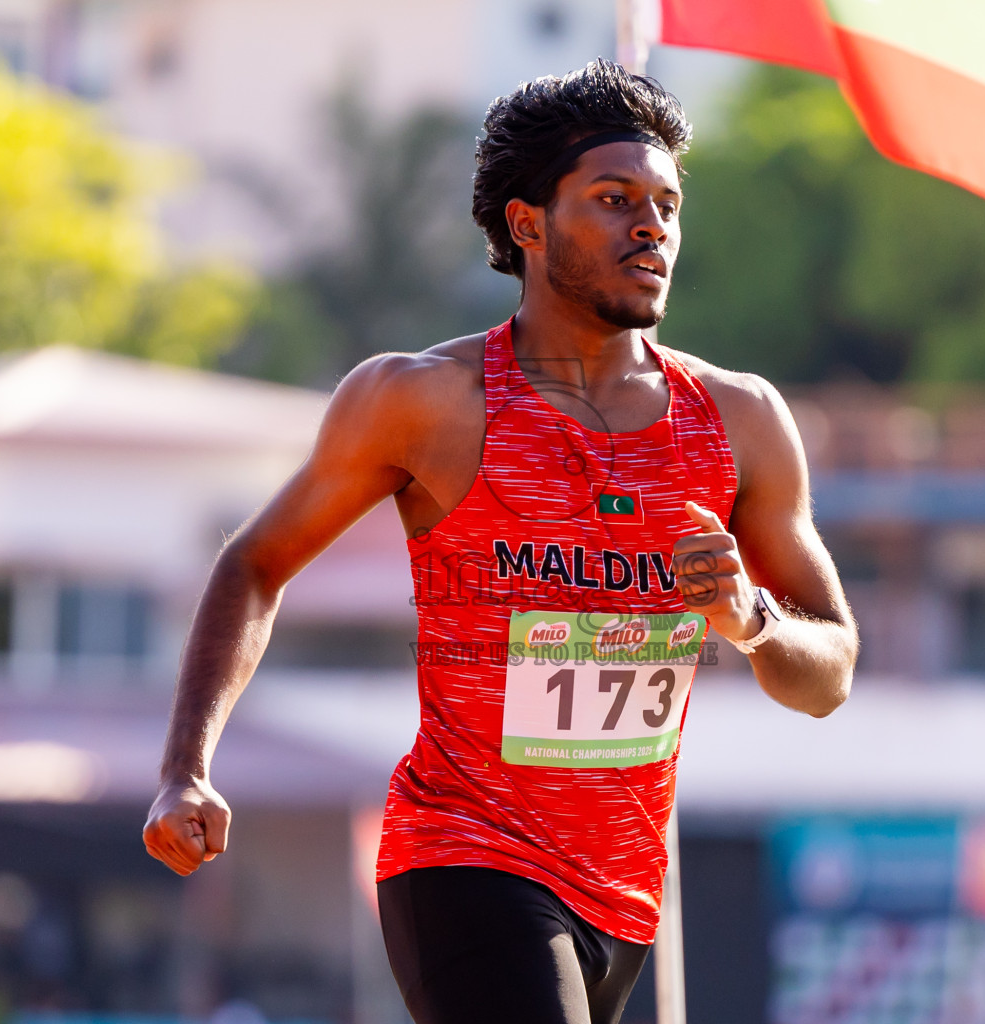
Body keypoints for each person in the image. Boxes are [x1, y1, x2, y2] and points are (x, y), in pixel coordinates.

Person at [143, 59, 858, 1024]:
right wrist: (186, 767)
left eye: (667, 205)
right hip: (464, 856)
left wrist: (753, 620)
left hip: (622, 893)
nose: (652, 227)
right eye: (615, 199)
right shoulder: (426, 402)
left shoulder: (740, 421)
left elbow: (830, 674)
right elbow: (256, 563)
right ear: (528, 224)